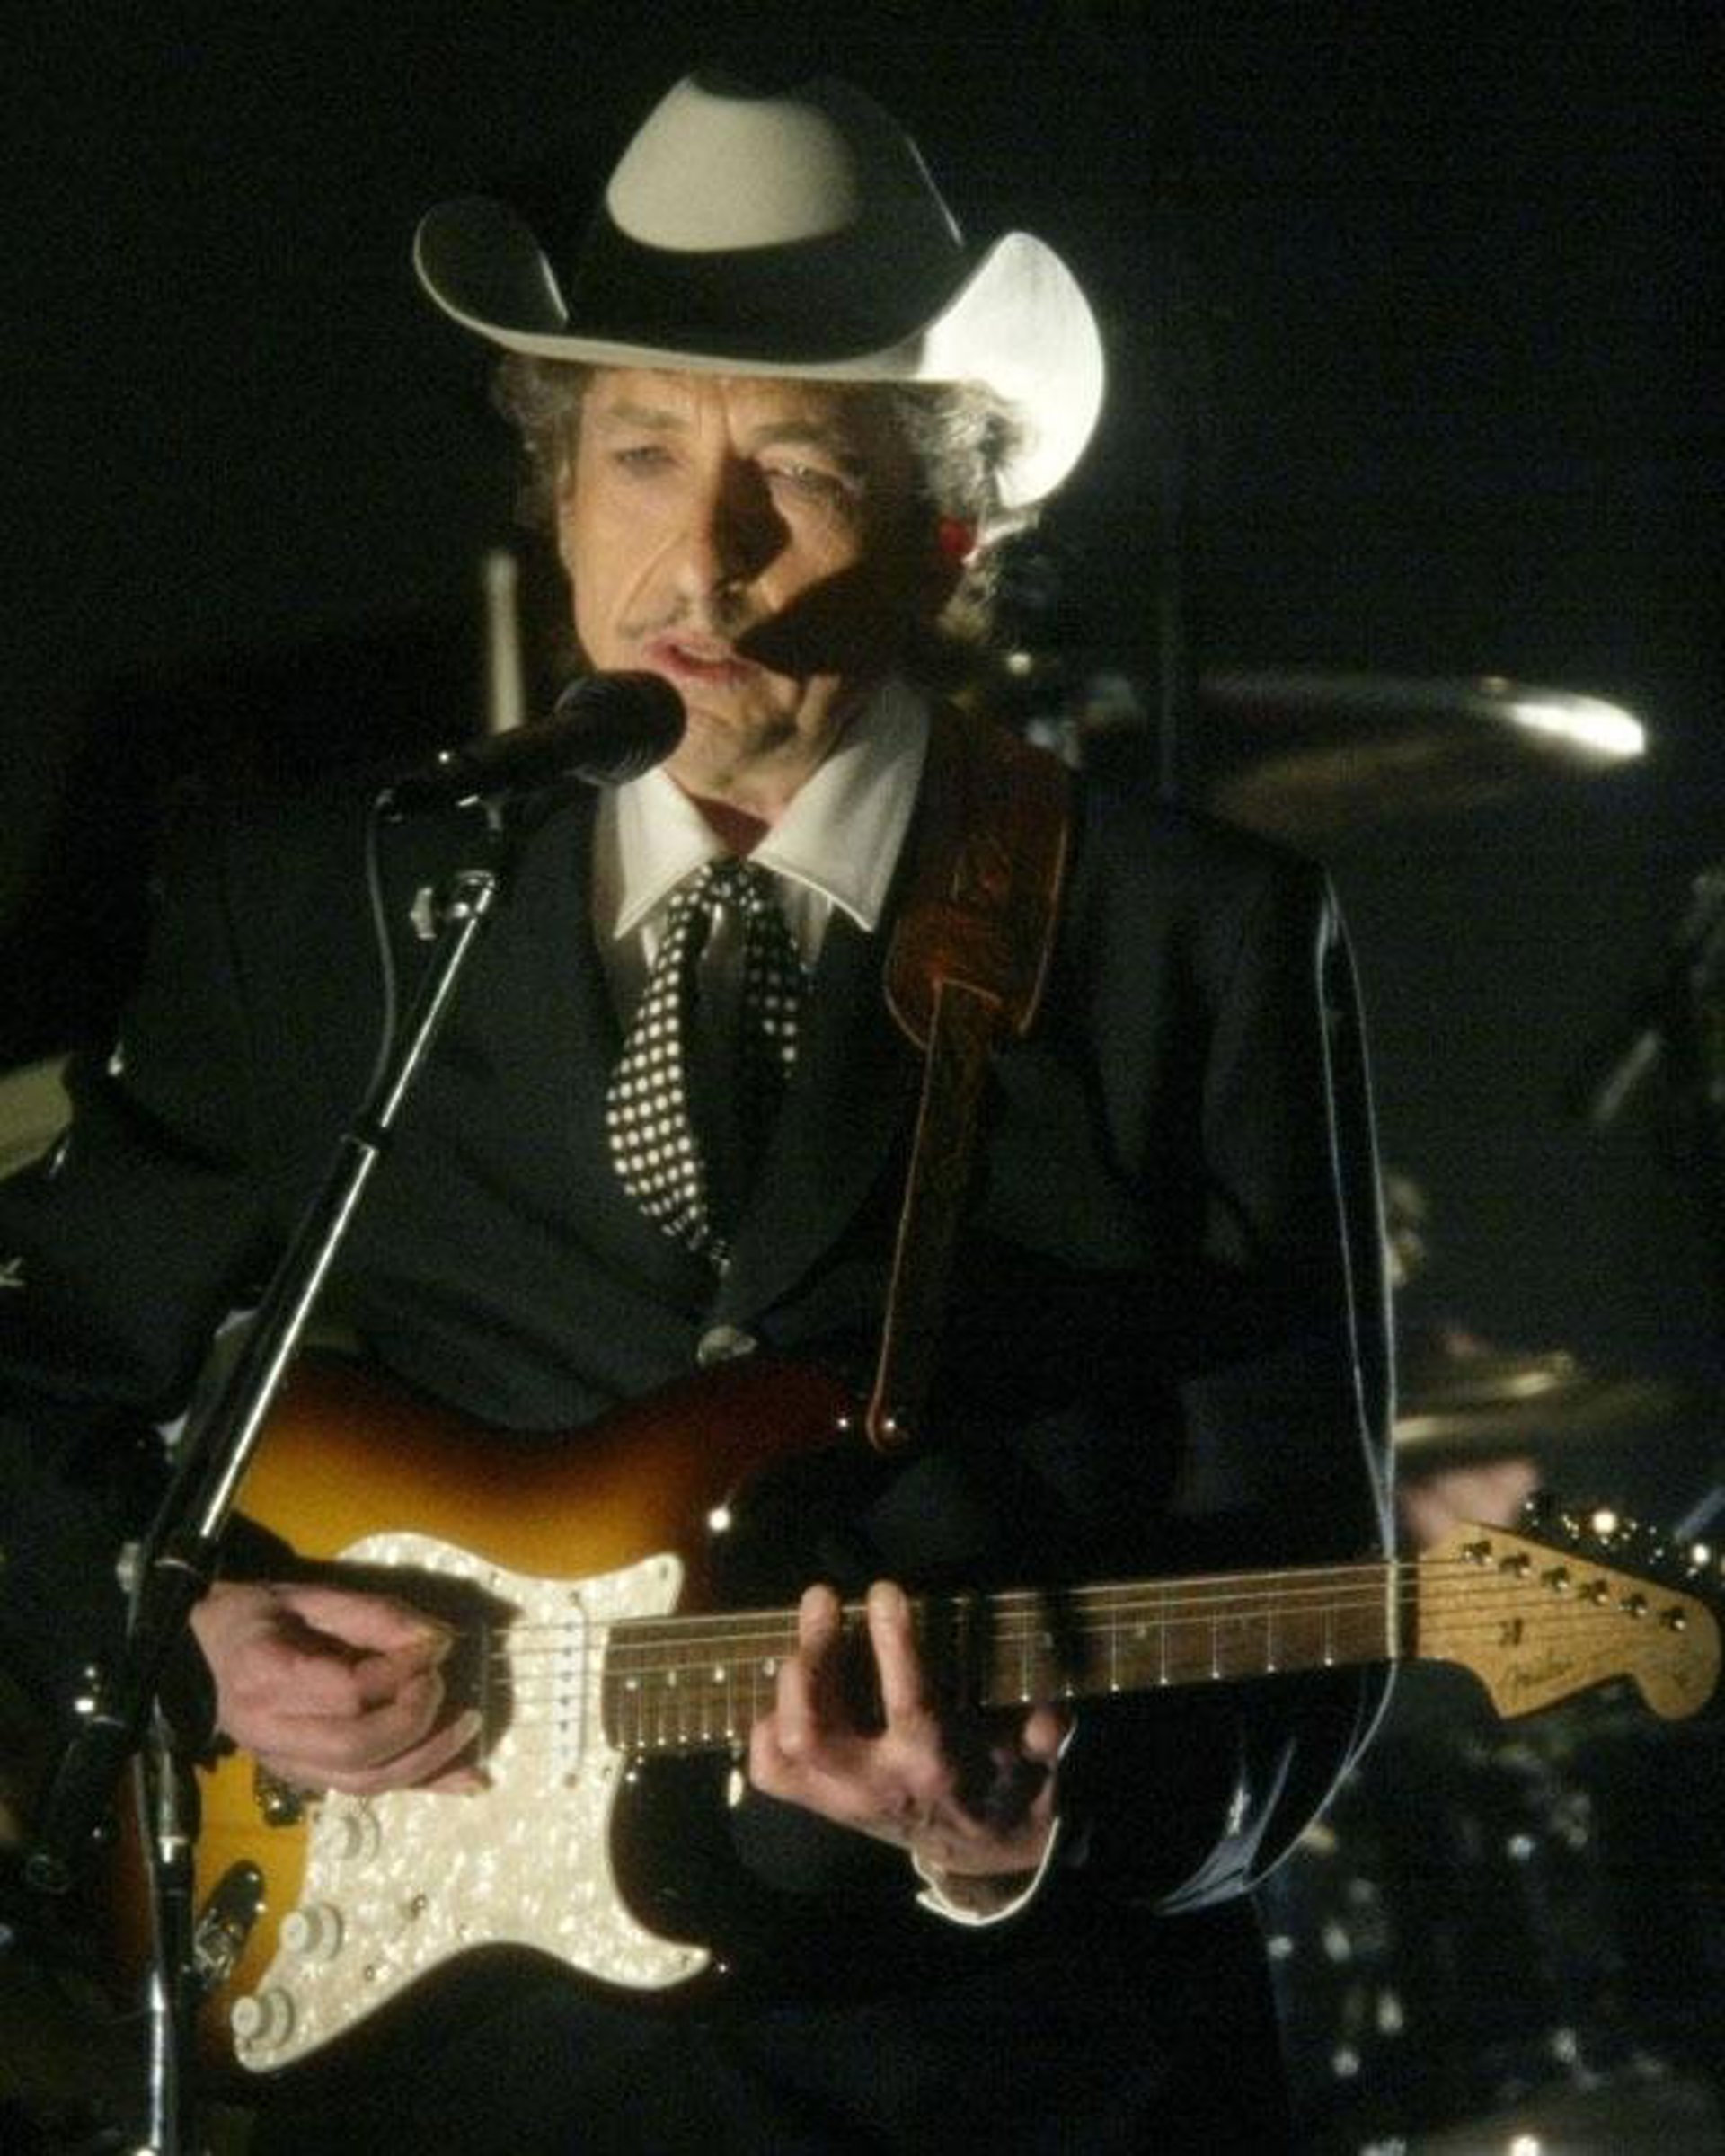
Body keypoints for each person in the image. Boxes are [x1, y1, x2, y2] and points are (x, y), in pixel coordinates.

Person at [0, 71, 1393, 2152]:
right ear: (558, 499)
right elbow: (36, 1390)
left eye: (799, 473)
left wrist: (1023, 1829)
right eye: (641, 452)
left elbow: (1313, 1585)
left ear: (951, 531)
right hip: (453, 2086)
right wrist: (193, 1634)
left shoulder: (1182, 933)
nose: (704, 558)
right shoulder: (326, 900)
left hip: (1002, 2086)